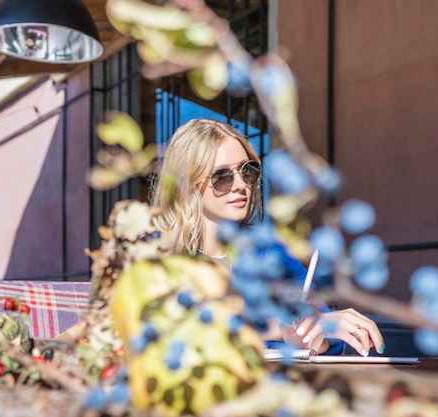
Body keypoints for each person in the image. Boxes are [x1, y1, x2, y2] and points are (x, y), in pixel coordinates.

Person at [151, 118, 385, 357]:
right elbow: (168, 336)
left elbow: (322, 345)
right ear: (188, 184)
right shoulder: (158, 256)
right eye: (222, 176)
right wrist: (275, 328)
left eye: (247, 170)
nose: (241, 185)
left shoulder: (269, 253)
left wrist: (310, 336)